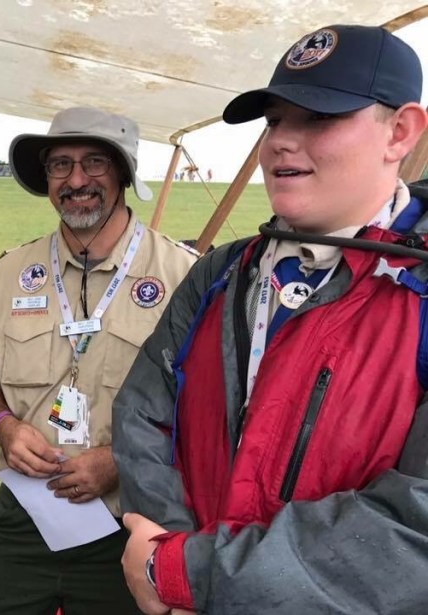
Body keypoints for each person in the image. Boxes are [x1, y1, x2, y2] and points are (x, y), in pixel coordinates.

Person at [113, 24, 428, 614]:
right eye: (276, 120)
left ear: (401, 132)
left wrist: (195, 573)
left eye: (318, 118)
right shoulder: (224, 270)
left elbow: (417, 526)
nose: (282, 141)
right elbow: (141, 415)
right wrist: (168, 551)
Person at [0, 106, 196, 614]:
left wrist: (118, 460)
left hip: (132, 518)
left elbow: (207, 404)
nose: (77, 180)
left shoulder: (183, 278)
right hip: (26, 513)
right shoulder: (8, 276)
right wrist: (4, 427)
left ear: (124, 174)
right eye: (60, 165)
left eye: (94, 163)